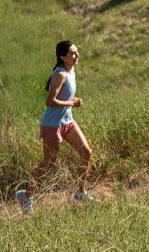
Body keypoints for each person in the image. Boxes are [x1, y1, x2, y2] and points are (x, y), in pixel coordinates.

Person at [15, 41, 94, 214]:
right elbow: (49, 101)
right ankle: (26, 195)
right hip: (52, 125)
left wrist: (70, 102)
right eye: (72, 53)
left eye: (77, 52)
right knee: (49, 164)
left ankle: (81, 193)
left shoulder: (71, 70)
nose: (77, 55)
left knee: (86, 152)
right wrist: (72, 103)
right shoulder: (60, 74)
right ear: (62, 57)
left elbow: (63, 96)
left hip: (67, 121)